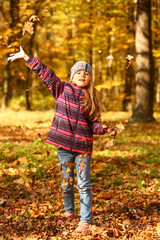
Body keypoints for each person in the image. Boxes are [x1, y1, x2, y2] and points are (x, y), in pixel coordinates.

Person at [8, 46, 111, 233]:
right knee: (66, 183)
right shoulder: (61, 89)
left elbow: (93, 124)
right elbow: (45, 73)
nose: (82, 75)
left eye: (86, 74)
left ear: (90, 78)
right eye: (78, 72)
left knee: (83, 184)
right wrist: (27, 58)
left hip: (82, 148)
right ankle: (69, 211)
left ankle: (85, 220)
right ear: (72, 76)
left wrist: (102, 128)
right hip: (63, 147)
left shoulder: (92, 98)